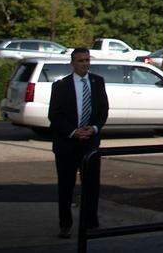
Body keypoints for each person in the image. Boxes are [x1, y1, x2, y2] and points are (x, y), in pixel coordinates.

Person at [47, 47, 109, 238]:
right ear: (72, 63)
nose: (85, 64)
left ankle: (90, 221)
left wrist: (94, 128)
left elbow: (103, 111)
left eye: (87, 60)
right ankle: (65, 224)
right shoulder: (61, 86)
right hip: (67, 144)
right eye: (81, 61)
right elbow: (54, 116)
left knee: (91, 185)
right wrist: (73, 132)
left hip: (90, 144)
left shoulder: (97, 82)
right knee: (66, 186)